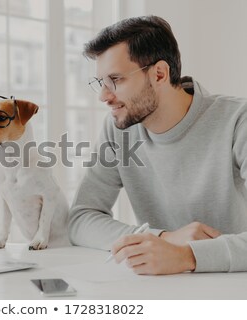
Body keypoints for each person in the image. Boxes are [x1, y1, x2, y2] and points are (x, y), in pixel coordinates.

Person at [69, 15, 247, 275]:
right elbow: (81, 218)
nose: (103, 96)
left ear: (159, 74)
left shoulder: (238, 121)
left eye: (115, 80)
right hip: (160, 287)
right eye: (100, 83)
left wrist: (187, 256)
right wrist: (164, 237)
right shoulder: (120, 128)